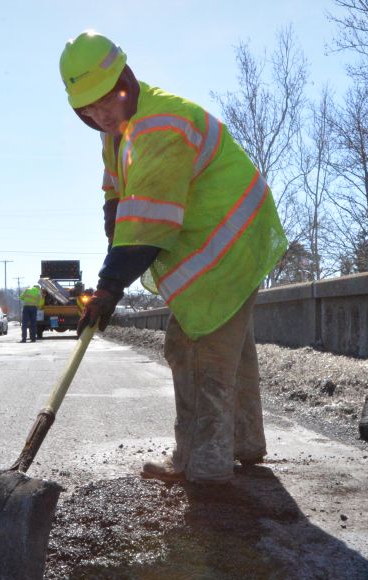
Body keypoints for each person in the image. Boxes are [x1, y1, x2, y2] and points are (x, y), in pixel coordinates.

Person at [61, 31, 288, 485]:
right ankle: (243, 440)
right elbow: (117, 187)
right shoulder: (120, 126)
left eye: (106, 102)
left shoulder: (159, 126)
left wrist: (109, 287)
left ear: (126, 80)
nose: (100, 115)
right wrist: (112, 217)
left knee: (193, 347)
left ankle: (201, 463)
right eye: (88, 110)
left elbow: (146, 229)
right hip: (232, 237)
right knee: (231, 348)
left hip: (226, 243)